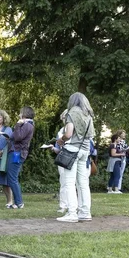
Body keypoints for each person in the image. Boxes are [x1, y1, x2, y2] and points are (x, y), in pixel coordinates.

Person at [56, 92, 95, 223]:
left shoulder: (71, 113)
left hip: (73, 149)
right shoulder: (88, 115)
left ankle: (72, 213)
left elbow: (68, 133)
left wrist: (61, 140)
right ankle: (85, 212)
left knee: (69, 182)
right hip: (85, 150)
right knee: (83, 183)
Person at [6, 106, 35, 209]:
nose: (19, 115)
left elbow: (18, 137)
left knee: (12, 178)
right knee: (12, 178)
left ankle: (19, 202)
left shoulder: (27, 125)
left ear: (24, 114)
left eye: (20, 113)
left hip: (17, 153)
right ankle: (17, 202)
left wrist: (18, 124)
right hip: (16, 152)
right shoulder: (26, 125)